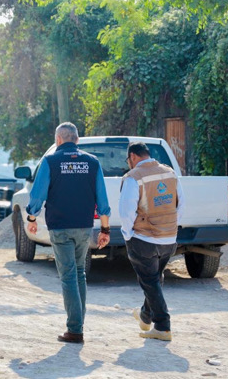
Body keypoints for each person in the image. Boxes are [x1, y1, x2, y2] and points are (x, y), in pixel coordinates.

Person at [26, 122, 111, 344]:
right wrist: (105, 228)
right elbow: (102, 199)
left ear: (58, 140)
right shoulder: (92, 163)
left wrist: (32, 218)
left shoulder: (50, 161)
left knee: (68, 276)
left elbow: (37, 195)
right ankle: (78, 324)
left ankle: (75, 330)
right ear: (77, 140)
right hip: (84, 227)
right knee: (79, 272)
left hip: (60, 227)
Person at [119, 142, 184, 341]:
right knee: (155, 279)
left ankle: (163, 326)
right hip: (169, 238)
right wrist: (171, 227)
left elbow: (127, 210)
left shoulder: (134, 177)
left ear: (133, 157)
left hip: (144, 238)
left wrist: (127, 235)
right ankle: (145, 316)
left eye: (128, 160)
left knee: (149, 281)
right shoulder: (170, 173)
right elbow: (180, 203)